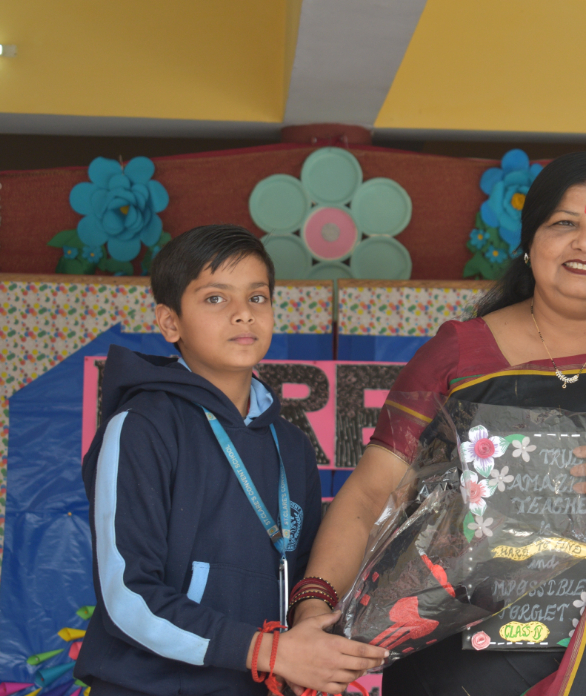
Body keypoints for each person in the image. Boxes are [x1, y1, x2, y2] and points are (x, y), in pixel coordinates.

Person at [289, 152, 586, 696]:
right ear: (530, 242)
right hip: (453, 669)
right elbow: (371, 493)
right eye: (564, 223)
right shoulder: (459, 355)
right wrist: (314, 603)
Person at [76, 225, 387, 695]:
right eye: (216, 298)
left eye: (257, 297)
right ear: (170, 322)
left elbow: (304, 574)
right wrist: (268, 651)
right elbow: (128, 596)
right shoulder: (142, 425)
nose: (243, 313)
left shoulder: (291, 444)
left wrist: (311, 632)